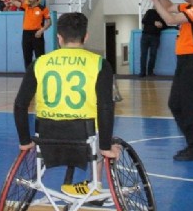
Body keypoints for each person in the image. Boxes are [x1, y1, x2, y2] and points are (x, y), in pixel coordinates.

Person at [13, 12, 118, 195]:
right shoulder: (100, 64)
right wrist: (106, 147)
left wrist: (24, 141)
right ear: (86, 36)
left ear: (59, 38)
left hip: (47, 138)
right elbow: (105, 107)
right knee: (106, 141)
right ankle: (96, 185)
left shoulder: (39, 63)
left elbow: (20, 105)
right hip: (84, 139)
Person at [143, 0, 193, 161]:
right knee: (175, 104)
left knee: (188, 107)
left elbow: (169, 19)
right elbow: (168, 7)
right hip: (186, 62)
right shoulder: (190, 8)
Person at [10, 0, 51, 69]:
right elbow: (12, 0)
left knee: (40, 56)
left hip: (37, 34)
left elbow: (49, 22)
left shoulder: (43, 9)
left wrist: (41, 30)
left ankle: (40, 74)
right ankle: (28, 75)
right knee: (27, 56)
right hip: (26, 34)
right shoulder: (26, 6)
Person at [139, 9, 167, 77]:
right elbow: (143, 21)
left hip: (155, 37)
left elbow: (165, 25)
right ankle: (143, 72)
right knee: (144, 55)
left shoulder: (162, 14)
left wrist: (161, 25)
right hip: (146, 36)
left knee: (153, 55)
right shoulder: (150, 11)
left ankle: (150, 72)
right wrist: (154, 22)